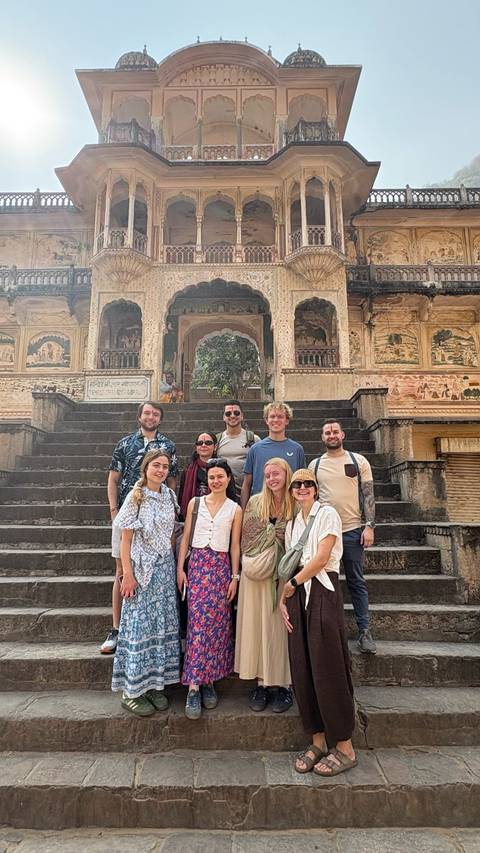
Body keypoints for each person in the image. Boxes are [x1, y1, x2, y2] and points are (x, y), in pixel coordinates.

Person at [280, 469, 357, 777]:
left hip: (322, 589)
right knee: (302, 666)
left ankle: (346, 746)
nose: (301, 488)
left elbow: (323, 556)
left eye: (307, 483)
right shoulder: (292, 524)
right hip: (297, 594)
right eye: (296, 484)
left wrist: (293, 584)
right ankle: (317, 740)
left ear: (315, 488)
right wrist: (282, 600)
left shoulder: (328, 514)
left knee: (328, 665)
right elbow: (288, 563)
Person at [101, 401, 178, 655]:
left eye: (156, 413)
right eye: (147, 412)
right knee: (122, 570)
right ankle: (117, 629)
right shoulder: (125, 444)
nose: (151, 416)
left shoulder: (167, 446)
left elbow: (173, 480)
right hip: (126, 515)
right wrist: (114, 510)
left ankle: (148, 630)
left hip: (154, 518)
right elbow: (113, 478)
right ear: (139, 416)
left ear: (160, 418)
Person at [111, 450, 180, 715]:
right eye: (156, 465)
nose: (161, 470)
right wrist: (127, 574)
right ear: (146, 467)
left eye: (164, 466)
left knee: (159, 627)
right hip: (141, 570)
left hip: (164, 570)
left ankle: (153, 685)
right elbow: (125, 540)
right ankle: (131, 691)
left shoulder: (169, 495)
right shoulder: (135, 496)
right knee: (140, 627)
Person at [177, 458, 242, 720]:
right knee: (197, 624)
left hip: (221, 567)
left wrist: (235, 576)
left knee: (217, 625)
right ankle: (194, 685)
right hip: (198, 566)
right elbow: (185, 540)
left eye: (220, 477)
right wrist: (180, 568)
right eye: (212, 477)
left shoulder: (235, 509)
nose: (216, 481)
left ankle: (210, 680)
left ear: (228, 479)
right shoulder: (195, 504)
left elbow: (235, 545)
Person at [308, 420, 376, 654]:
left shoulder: (358, 461)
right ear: (322, 437)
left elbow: (368, 495)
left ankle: (364, 630)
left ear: (343, 434)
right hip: (326, 533)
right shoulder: (315, 465)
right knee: (327, 582)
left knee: (356, 581)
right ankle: (330, 632)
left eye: (335, 431)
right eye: (327, 432)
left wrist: (370, 526)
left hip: (352, 530)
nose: (332, 435)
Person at [235, 458, 294, 713]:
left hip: (284, 574)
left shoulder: (296, 501)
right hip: (256, 575)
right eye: (268, 475)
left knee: (280, 629)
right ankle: (260, 683)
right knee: (257, 627)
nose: (272, 479)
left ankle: (283, 685)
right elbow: (248, 538)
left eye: (276, 474)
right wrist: (274, 535)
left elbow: (300, 538)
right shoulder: (256, 502)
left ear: (286, 474)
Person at [241, 402, 305, 508]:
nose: (276, 420)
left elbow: (301, 481)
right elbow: (247, 483)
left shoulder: (297, 449)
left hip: (288, 506)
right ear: (266, 420)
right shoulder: (255, 449)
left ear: (287, 420)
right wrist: (244, 510)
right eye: (272, 416)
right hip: (260, 506)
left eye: (280, 416)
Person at [215, 400, 260, 495]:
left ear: (242, 415)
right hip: (223, 492)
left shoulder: (254, 439)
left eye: (236, 413)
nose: (232, 416)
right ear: (223, 417)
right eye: (228, 413)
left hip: (248, 491)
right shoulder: (217, 440)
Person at [177, 432, 218, 520]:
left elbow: (230, 494)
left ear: (215, 447)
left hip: (216, 515)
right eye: (200, 443)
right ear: (196, 447)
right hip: (192, 516)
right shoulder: (188, 470)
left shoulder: (222, 469)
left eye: (208, 443)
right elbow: (181, 496)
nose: (203, 445)